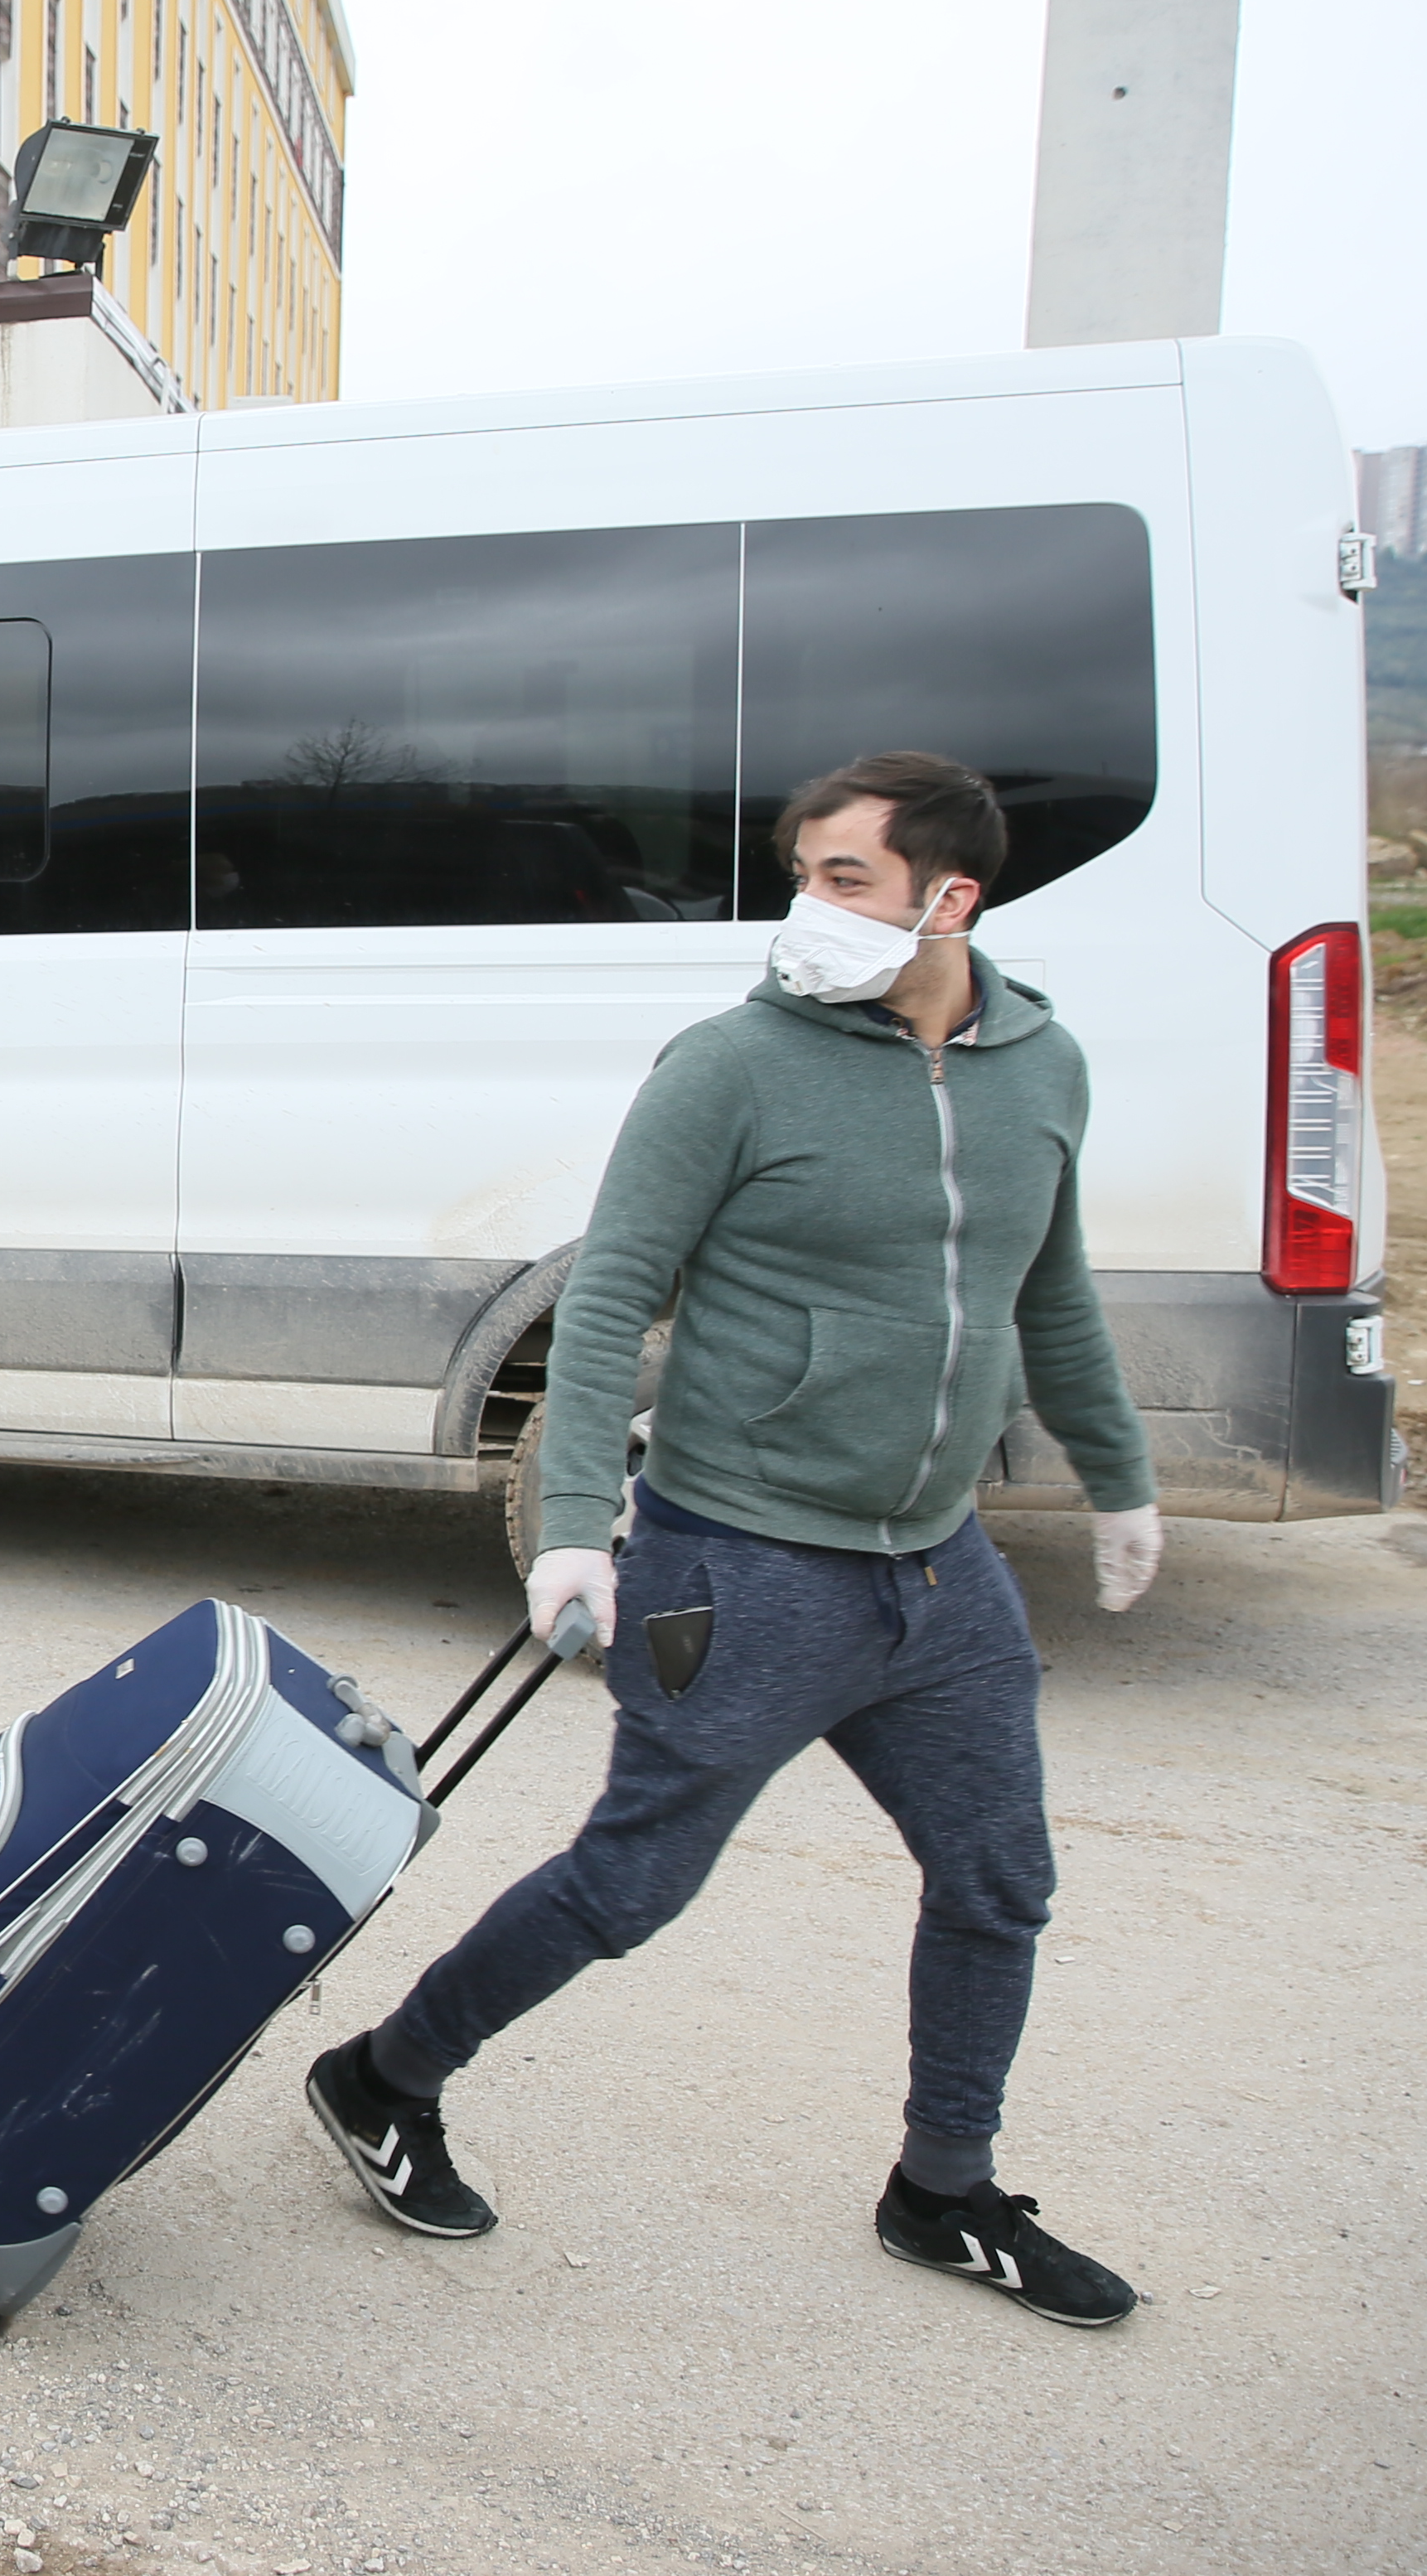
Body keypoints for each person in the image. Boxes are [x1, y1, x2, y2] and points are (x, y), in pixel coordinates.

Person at [303, 752, 1167, 2328]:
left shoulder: (1040, 1065)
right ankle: (380, 2073)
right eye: (802, 875)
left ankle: (941, 2188)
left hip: (937, 1564)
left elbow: (1051, 1289)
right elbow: (604, 1296)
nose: (806, 911)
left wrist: (1119, 1478)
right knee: (627, 1886)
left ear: (948, 898)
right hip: (743, 1562)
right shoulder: (731, 1065)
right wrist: (569, 1529)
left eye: (844, 880)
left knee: (995, 1882)